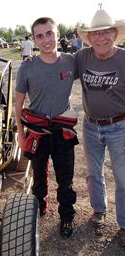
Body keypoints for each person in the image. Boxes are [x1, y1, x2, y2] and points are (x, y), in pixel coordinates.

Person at [15, 17, 78, 238]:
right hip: (38, 131)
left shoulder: (71, 61)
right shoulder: (28, 67)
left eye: (49, 33)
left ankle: (67, 217)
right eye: (40, 36)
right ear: (34, 40)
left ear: (58, 35)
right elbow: (18, 103)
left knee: (65, 178)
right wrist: (21, 136)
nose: (46, 40)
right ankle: (39, 207)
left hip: (63, 131)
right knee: (39, 176)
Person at [76, 8, 125, 247]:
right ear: (89, 38)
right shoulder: (83, 57)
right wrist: (34, 61)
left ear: (115, 34)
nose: (101, 38)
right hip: (91, 125)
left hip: (120, 126)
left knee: (123, 176)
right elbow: (56, 64)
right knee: (93, 172)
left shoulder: (124, 59)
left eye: (106, 33)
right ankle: (99, 210)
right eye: (95, 34)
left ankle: (124, 224)